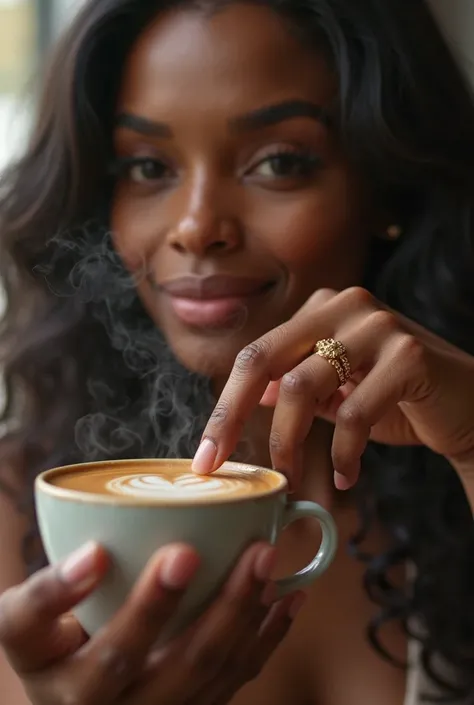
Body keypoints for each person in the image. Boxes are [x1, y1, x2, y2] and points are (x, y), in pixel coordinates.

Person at [1, 0, 474, 702]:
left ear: (385, 183)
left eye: (278, 162)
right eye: (147, 167)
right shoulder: (17, 513)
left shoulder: (454, 468)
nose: (197, 227)